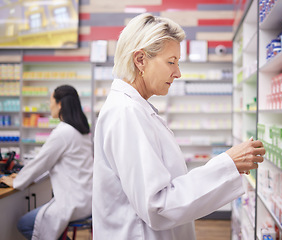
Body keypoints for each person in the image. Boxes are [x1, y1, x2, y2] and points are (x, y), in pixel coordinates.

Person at [92, 13, 265, 240]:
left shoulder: (136, 108)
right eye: (171, 62)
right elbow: (158, 206)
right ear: (140, 60)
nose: (178, 72)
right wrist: (227, 164)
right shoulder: (127, 112)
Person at [0, 85, 93, 240]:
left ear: (60, 104)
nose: (49, 105)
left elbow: (40, 162)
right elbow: (50, 163)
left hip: (72, 203)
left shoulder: (63, 132)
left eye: (51, 101)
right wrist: (20, 176)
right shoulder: (82, 131)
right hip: (87, 201)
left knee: (25, 224)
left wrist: (16, 182)